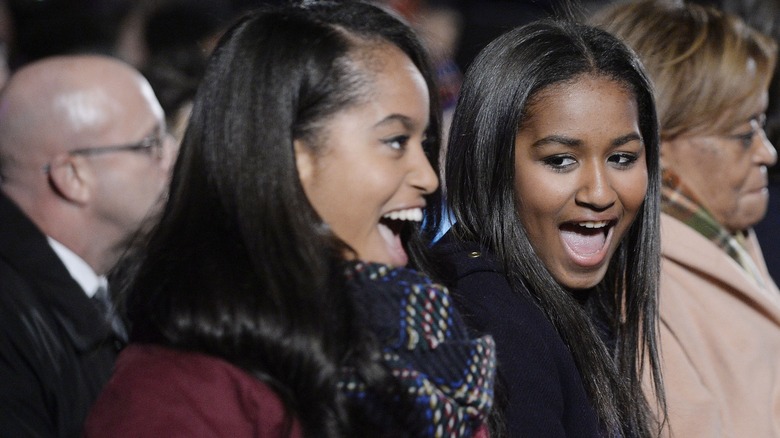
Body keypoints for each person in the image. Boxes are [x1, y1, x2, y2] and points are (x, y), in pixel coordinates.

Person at [84, 2, 495, 437]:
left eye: (424, 141)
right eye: (395, 141)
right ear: (290, 154)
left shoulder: (425, 331)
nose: (429, 178)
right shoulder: (177, 394)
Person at [424, 19, 664, 437]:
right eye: (560, 160)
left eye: (622, 158)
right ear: (491, 162)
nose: (600, 192)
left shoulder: (574, 295)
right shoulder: (491, 319)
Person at [592, 1, 780, 436]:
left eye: (762, 124)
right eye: (743, 133)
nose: (767, 152)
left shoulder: (721, 231)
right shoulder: (643, 288)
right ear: (658, 142)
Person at [0, 55, 174, 437]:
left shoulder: (106, 284)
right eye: (151, 144)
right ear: (73, 176)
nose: (173, 158)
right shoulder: (10, 324)